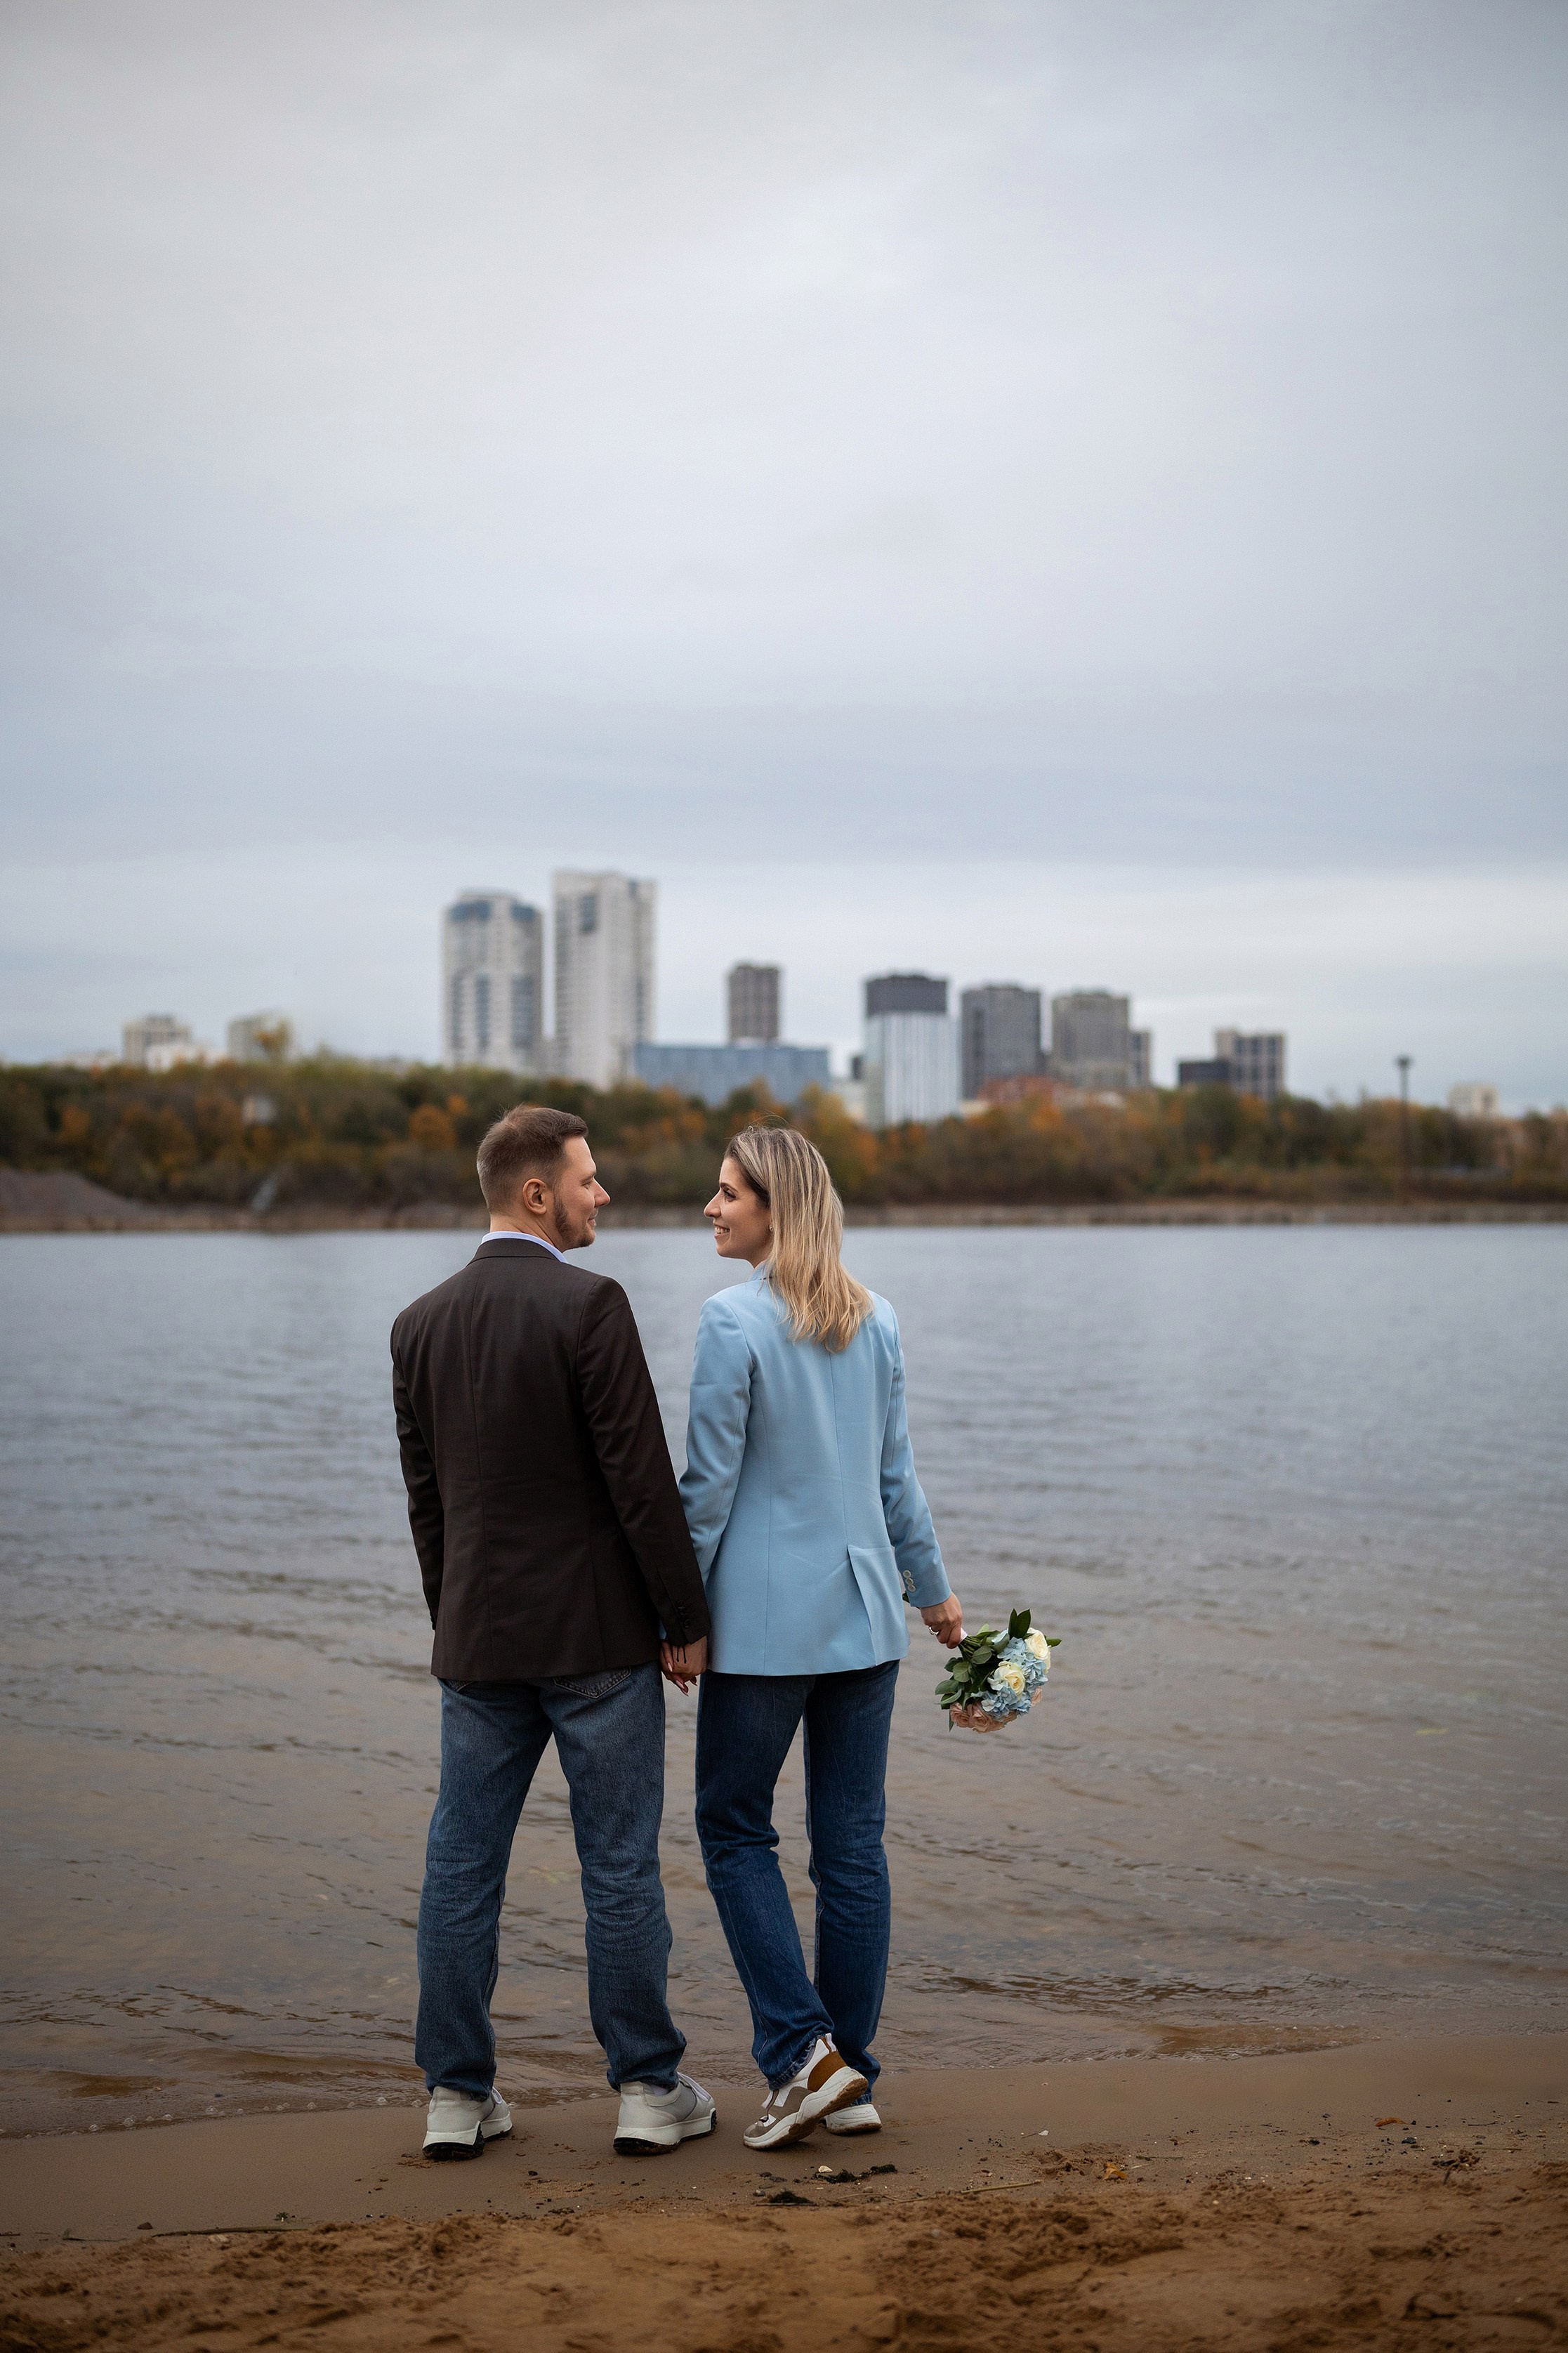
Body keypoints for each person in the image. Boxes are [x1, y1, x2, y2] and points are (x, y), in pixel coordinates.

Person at [391, 1103, 716, 2162]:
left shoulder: (417, 1321)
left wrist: (459, 1620)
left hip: (478, 1641)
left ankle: (455, 2092)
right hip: (595, 1641)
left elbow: (427, 1503)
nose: (600, 1194)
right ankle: (645, 2087)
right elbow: (640, 1482)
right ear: (536, 1192)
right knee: (618, 1865)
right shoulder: (591, 1305)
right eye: (587, 1178)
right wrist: (684, 1618)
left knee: (459, 1864)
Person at [668, 1125, 963, 2151]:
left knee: (733, 1829)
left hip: (759, 1632)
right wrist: (933, 1593)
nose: (711, 1209)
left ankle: (803, 2054)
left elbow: (702, 1491)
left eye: (727, 1194)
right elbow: (896, 1480)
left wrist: (678, 1618)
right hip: (866, 1619)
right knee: (852, 1850)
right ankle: (853, 2075)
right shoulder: (873, 1316)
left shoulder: (730, 1321)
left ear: (774, 1208)